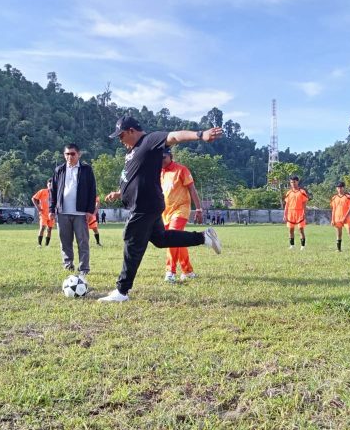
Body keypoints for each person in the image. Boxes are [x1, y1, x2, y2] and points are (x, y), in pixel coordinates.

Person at [99, 116, 223, 302]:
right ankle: (204, 237)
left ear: (132, 131)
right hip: (147, 204)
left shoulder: (149, 140)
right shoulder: (134, 150)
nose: (120, 140)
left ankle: (122, 291)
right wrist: (121, 192)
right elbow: (136, 176)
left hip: (144, 205)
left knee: (132, 242)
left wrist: (200, 134)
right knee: (161, 239)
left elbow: (174, 136)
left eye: (121, 135)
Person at [49, 144, 97, 275]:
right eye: (67, 154)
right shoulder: (59, 170)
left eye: (72, 154)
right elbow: (52, 191)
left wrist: (89, 210)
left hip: (80, 213)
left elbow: (92, 191)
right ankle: (68, 265)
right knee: (65, 242)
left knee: (83, 242)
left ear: (79, 154)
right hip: (62, 212)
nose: (69, 156)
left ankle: (84, 268)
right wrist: (51, 210)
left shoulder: (86, 170)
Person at [161, 147, 204, 283]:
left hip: (181, 209)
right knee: (177, 240)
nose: (161, 161)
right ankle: (187, 271)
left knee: (172, 237)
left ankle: (170, 272)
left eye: (163, 157)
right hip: (165, 212)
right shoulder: (158, 172)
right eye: (158, 158)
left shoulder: (181, 170)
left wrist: (198, 209)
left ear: (170, 156)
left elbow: (192, 189)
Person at [283, 176, 309, 250]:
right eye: (291, 182)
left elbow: (304, 203)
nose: (293, 184)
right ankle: (292, 245)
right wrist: (285, 214)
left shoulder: (302, 192)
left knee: (301, 229)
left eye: (294, 182)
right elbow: (287, 204)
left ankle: (303, 246)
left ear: (297, 182)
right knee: (291, 229)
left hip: (299, 212)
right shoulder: (289, 192)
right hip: (291, 212)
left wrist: (304, 212)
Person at [331, 181, 350, 252]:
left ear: (343, 188)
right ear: (336, 189)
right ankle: (339, 249)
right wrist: (332, 219)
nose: (340, 189)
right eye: (338, 188)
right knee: (339, 234)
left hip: (346, 219)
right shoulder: (334, 198)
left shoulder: (347, 197)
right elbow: (333, 209)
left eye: (341, 187)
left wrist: (345, 217)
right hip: (337, 218)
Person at [31, 179, 54, 247]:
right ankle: (39, 244)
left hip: (51, 214)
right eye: (49, 184)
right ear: (47, 184)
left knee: (49, 229)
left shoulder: (55, 193)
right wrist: (38, 208)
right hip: (43, 213)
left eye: (52, 185)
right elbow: (33, 198)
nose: (50, 186)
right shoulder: (42, 191)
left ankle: (47, 245)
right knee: (42, 227)